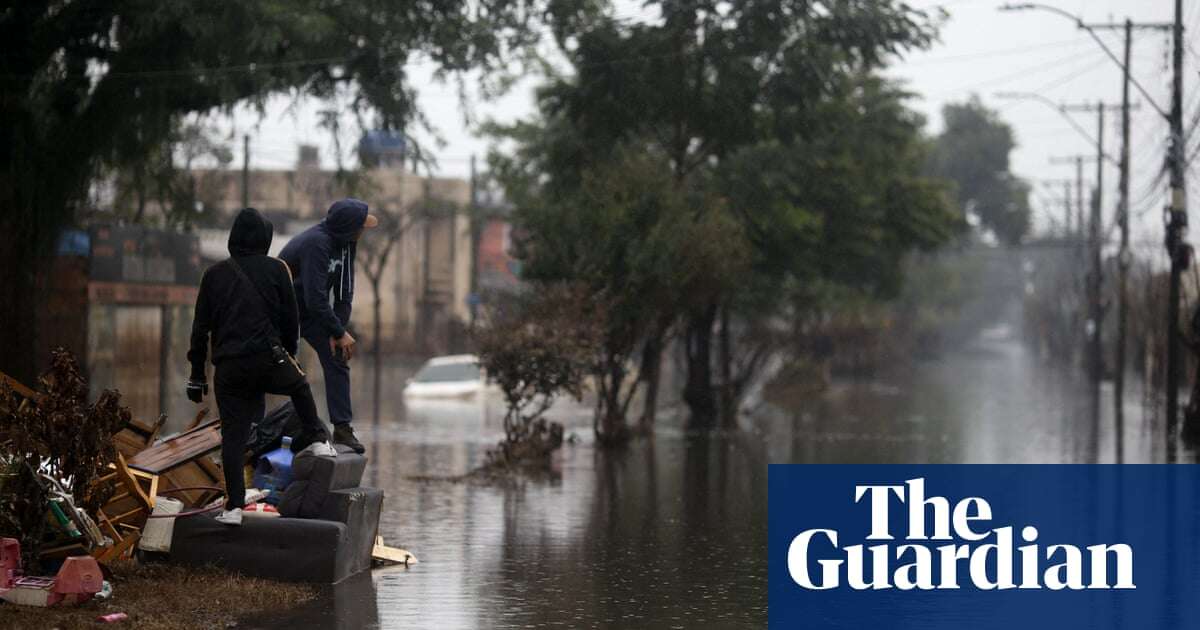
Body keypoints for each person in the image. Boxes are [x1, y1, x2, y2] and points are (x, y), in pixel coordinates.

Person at [186, 207, 337, 526]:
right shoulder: (277, 269)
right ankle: (319, 442)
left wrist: (197, 376)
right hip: (268, 359)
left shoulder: (213, 275)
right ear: (265, 239)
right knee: (299, 386)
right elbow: (290, 321)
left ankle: (233, 508)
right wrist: (288, 354)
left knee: (233, 437)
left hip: (228, 369)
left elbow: (200, 330)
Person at [279, 198, 377, 454]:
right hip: (281, 310)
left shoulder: (346, 243)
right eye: (360, 227)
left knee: (337, 355)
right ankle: (255, 425)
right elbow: (315, 298)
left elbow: (345, 292)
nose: (362, 232)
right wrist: (337, 330)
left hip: (311, 313)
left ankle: (342, 429)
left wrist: (339, 331)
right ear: (347, 227)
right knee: (273, 366)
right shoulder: (316, 243)